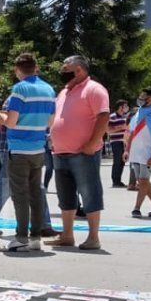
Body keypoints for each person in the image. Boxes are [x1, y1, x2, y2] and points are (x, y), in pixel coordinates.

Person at [47, 55, 109, 250]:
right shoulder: (64, 92)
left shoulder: (94, 89)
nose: (63, 72)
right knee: (65, 196)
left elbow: (104, 115)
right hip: (60, 152)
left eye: (67, 68)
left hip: (84, 153)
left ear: (80, 70)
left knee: (89, 192)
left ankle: (93, 237)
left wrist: (93, 142)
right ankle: (67, 235)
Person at [0, 53, 56, 253]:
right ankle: (35, 238)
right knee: (36, 194)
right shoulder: (49, 89)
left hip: (19, 148)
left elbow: (12, 121)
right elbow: (51, 122)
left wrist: (1, 117)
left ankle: (21, 237)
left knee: (20, 195)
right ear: (36, 67)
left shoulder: (19, 89)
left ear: (18, 70)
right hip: (38, 148)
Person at [125, 87, 151, 218]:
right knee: (142, 181)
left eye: (146, 96)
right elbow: (132, 132)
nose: (143, 98)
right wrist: (127, 150)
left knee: (143, 180)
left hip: (148, 152)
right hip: (136, 152)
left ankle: (136, 208)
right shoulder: (139, 112)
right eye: (142, 95)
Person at [107, 100, 130, 187]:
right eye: (125, 106)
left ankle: (119, 180)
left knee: (122, 161)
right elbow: (108, 130)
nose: (126, 108)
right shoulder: (112, 117)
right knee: (117, 161)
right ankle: (115, 181)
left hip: (124, 142)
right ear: (120, 107)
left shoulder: (125, 117)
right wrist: (121, 127)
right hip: (116, 142)